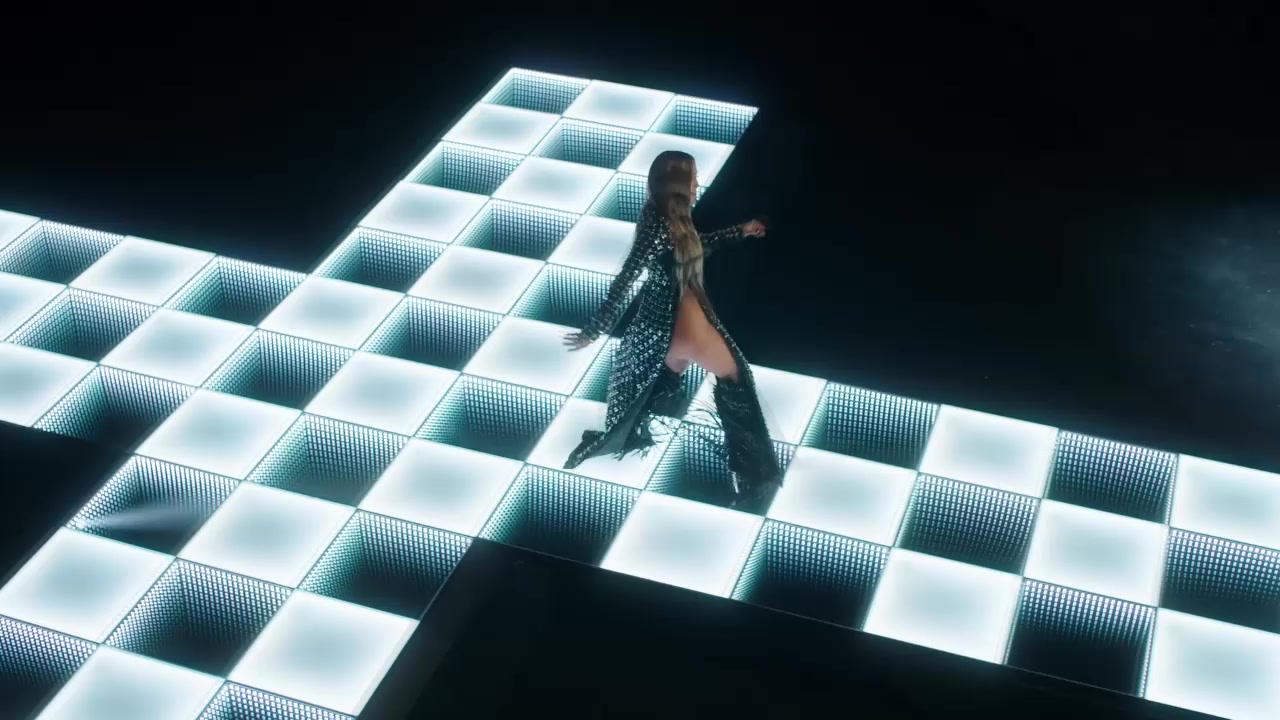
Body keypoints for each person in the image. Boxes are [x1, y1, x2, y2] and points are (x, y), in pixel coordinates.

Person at [562, 150, 781, 509]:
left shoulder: (670, 220)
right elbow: (626, 278)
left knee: (659, 384)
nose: (697, 185)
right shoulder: (656, 227)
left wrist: (740, 231)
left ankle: (625, 436)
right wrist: (594, 329)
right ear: (677, 186)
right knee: (737, 378)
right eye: (692, 179)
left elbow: (700, 246)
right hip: (684, 328)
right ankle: (755, 475)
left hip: (671, 328)